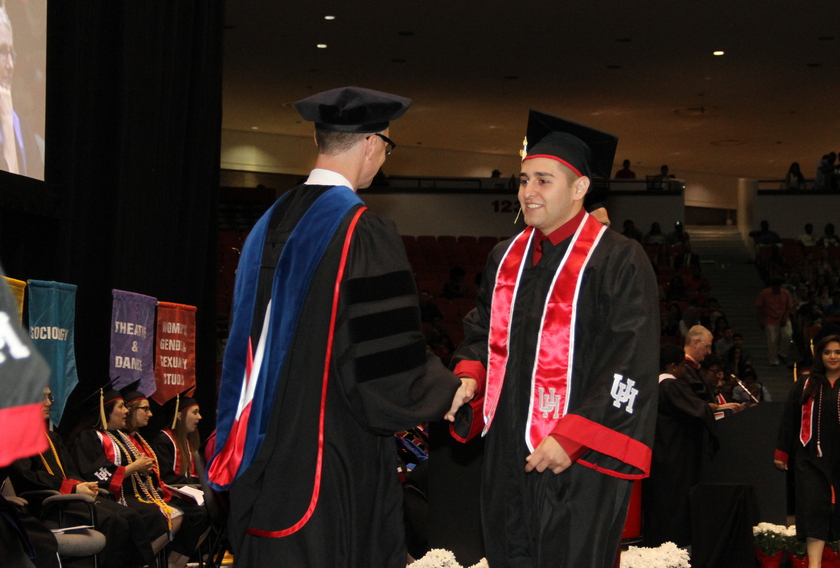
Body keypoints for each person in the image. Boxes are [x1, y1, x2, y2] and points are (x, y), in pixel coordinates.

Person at [206, 87, 470, 568]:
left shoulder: (267, 224)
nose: (383, 159)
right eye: (387, 147)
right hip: (328, 459)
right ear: (371, 143)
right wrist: (443, 391)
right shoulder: (360, 230)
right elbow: (383, 361)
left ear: (319, 139)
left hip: (257, 456)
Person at [449, 110, 659, 568]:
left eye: (543, 181)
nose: (528, 192)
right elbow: (482, 331)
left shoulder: (618, 260)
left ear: (580, 187)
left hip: (575, 461)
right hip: (506, 453)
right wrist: (469, 377)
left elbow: (629, 359)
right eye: (524, 180)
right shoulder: (505, 257)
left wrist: (573, 437)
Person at [10, 388, 156, 568]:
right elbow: (26, 477)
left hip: (67, 498)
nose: (48, 403)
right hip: (46, 504)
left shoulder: (51, 437)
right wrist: (72, 488)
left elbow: (69, 471)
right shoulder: (16, 437)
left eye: (49, 397)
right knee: (114, 522)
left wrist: (83, 485)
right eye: (42, 397)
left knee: (130, 516)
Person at [70, 390, 174, 559]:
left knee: (159, 514)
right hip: (108, 495)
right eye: (121, 407)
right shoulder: (88, 437)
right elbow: (94, 472)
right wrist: (135, 467)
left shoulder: (119, 436)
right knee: (150, 515)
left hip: (131, 493)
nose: (126, 411)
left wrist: (143, 469)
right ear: (106, 411)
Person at [643, 344, 718, 548]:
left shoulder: (651, 386)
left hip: (657, 455)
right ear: (673, 366)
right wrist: (713, 410)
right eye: (682, 366)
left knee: (658, 505)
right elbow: (698, 410)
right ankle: (676, 550)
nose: (684, 371)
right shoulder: (671, 386)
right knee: (676, 505)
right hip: (675, 458)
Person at [775, 335, 840, 567]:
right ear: (819, 355)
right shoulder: (805, 384)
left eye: (838, 352)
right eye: (827, 352)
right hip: (810, 459)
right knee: (813, 511)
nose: (833, 356)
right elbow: (789, 419)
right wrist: (782, 452)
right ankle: (814, 565)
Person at [152, 394, 202, 486]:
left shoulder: (188, 441)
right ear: (179, 416)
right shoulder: (163, 441)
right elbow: (165, 478)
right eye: (195, 412)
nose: (199, 417)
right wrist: (194, 482)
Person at [756, 278, 794, 366]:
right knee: (772, 341)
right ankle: (773, 360)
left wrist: (785, 317)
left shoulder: (786, 293)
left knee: (788, 335)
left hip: (783, 318)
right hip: (769, 319)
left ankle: (782, 353)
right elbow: (758, 307)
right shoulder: (764, 293)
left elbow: (789, 306)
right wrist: (761, 320)